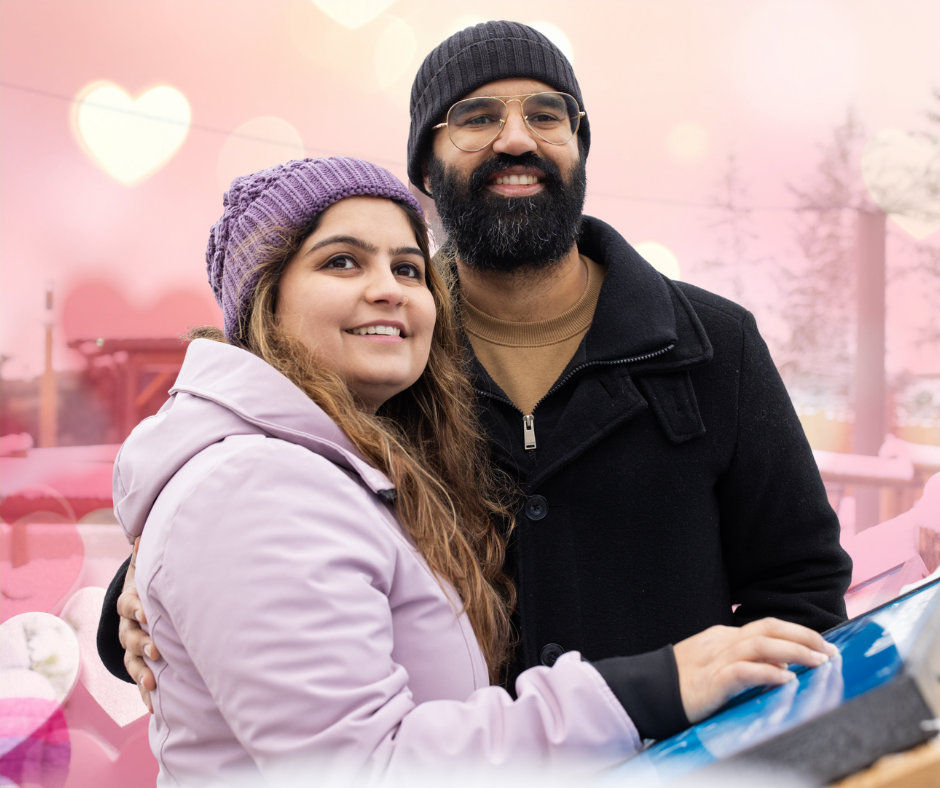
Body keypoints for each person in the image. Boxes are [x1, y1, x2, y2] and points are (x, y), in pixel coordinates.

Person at [101, 21, 852, 707]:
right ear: (425, 170)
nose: (516, 139)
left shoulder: (712, 342)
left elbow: (801, 584)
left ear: (579, 147)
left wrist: (731, 741)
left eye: (547, 115)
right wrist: (133, 593)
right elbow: (246, 482)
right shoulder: (373, 348)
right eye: (477, 117)